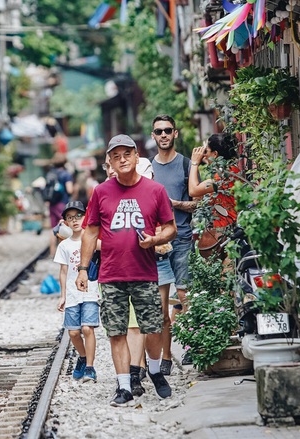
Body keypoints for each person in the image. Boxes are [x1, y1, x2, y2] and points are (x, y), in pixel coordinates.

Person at [76, 134, 176, 407]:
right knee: (116, 332)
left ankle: (154, 371)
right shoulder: (100, 192)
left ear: (136, 156)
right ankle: (123, 387)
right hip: (111, 274)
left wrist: (155, 240)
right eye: (116, 156)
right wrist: (83, 269)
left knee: (153, 328)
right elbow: (90, 232)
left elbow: (171, 228)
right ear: (109, 161)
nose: (122, 160)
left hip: (145, 272)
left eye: (126, 154)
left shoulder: (155, 190)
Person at [150, 115, 198, 369]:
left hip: (181, 238)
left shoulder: (186, 165)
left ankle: (191, 346)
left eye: (168, 130)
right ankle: (166, 357)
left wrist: (175, 204)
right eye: (159, 131)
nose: (164, 135)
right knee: (160, 306)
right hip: (157, 244)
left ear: (175, 134)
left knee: (184, 296)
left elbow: (198, 203)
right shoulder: (147, 169)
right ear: (153, 136)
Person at [54, 201, 99, 383]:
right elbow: (63, 272)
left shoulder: (93, 239)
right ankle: (82, 356)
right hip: (72, 293)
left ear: (86, 216)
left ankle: (90, 367)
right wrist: (63, 295)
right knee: (73, 333)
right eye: (70, 218)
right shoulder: (64, 246)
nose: (75, 221)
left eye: (78, 216)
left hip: (90, 291)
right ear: (65, 222)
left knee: (87, 328)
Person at [188, 133, 239, 229]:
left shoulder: (222, 177)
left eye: (206, 151)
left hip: (226, 228)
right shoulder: (231, 170)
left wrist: (194, 163)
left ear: (215, 154)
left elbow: (193, 191)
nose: (204, 155)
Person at [45, 153, 74, 256]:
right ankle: (66, 252)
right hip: (62, 203)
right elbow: (69, 190)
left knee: (53, 228)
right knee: (66, 226)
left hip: (52, 204)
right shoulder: (66, 174)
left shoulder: (50, 173)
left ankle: (52, 253)